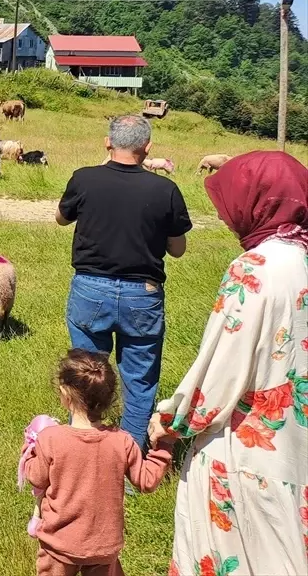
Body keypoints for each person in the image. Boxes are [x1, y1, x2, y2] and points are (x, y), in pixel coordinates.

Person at [148, 151, 308, 575]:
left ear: (257, 202)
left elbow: (223, 370)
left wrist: (172, 420)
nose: (225, 216)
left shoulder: (255, 268)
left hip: (246, 448)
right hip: (298, 445)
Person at [55, 115, 193, 454]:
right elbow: (177, 250)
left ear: (107, 143)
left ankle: (84, 453)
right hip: (142, 296)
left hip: (90, 290)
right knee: (140, 381)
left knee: (87, 374)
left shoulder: (84, 179)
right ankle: (128, 463)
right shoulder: (165, 190)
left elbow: (61, 218)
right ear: (148, 148)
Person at [22, 349, 173, 576]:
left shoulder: (51, 439)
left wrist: (29, 449)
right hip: (104, 547)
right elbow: (147, 481)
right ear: (109, 397)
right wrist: (164, 446)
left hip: (59, 545)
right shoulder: (122, 442)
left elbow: (36, 477)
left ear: (65, 394)